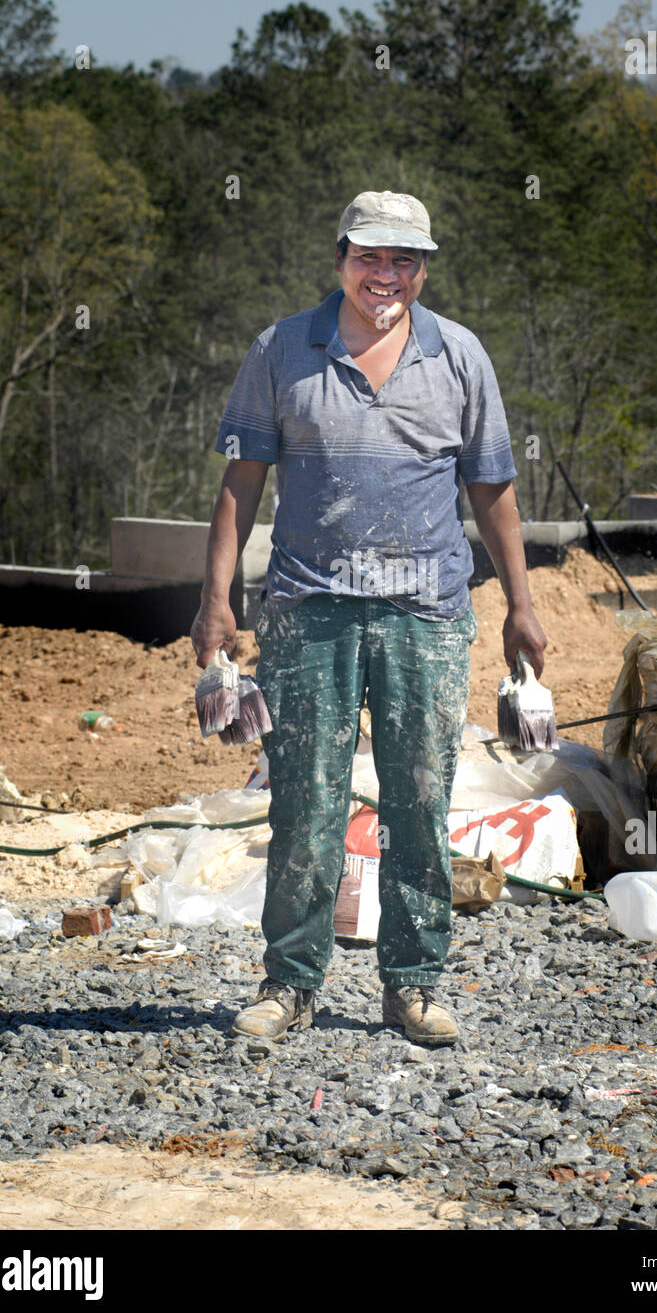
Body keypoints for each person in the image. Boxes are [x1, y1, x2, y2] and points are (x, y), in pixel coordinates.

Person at [191, 190, 548, 1047]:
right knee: (305, 802)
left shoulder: (459, 356)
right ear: (340, 255)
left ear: (423, 268)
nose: (385, 276)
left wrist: (522, 605)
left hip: (425, 614)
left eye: (404, 262)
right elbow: (241, 485)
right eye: (369, 257)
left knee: (420, 800)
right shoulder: (281, 349)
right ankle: (290, 983)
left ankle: (414, 984)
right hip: (308, 611)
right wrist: (216, 600)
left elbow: (492, 491)